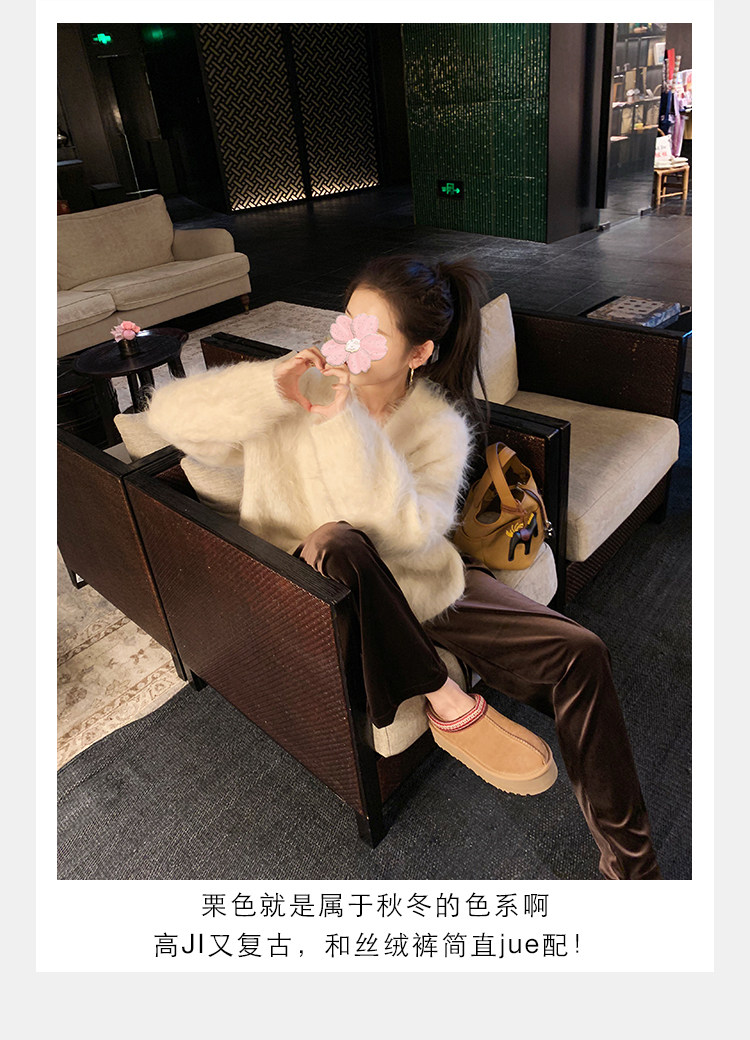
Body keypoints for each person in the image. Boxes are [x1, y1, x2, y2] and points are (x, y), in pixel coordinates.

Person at [145, 253, 661, 880]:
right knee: (338, 542)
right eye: (346, 320)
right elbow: (166, 418)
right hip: (322, 590)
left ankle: (632, 869)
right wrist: (269, 387)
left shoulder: (440, 426)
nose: (347, 340)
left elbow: (409, 534)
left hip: (419, 585)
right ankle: (446, 699)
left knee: (581, 651)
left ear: (418, 353)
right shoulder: (295, 391)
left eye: (372, 331)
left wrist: (344, 423)